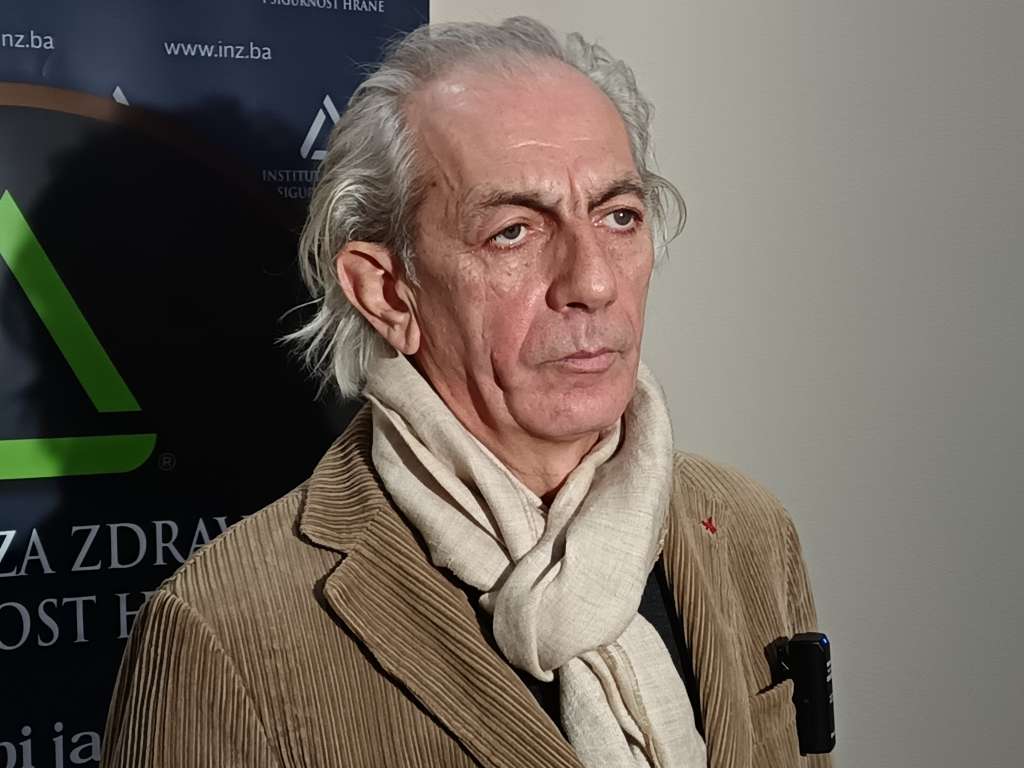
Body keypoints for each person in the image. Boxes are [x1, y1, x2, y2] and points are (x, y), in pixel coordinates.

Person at [101, 16, 830, 768]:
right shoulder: (227, 630)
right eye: (513, 231)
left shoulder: (747, 530)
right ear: (387, 293)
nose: (593, 281)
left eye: (619, 217)